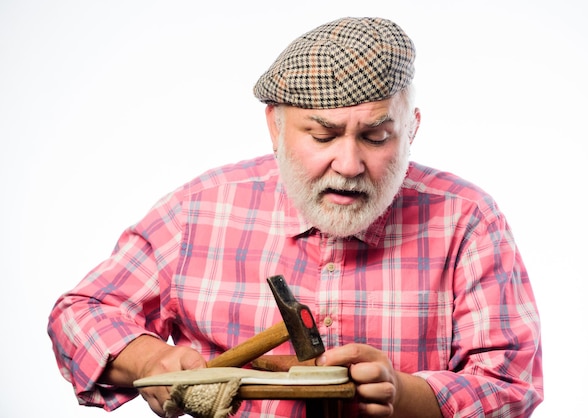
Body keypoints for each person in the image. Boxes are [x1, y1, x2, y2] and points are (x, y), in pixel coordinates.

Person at [47, 17, 543, 418]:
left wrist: (404, 395)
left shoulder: (468, 218)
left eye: (376, 137)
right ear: (275, 127)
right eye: (323, 136)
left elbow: (510, 385)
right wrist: (151, 362)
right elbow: (79, 314)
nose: (349, 166)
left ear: (411, 128)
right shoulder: (200, 209)